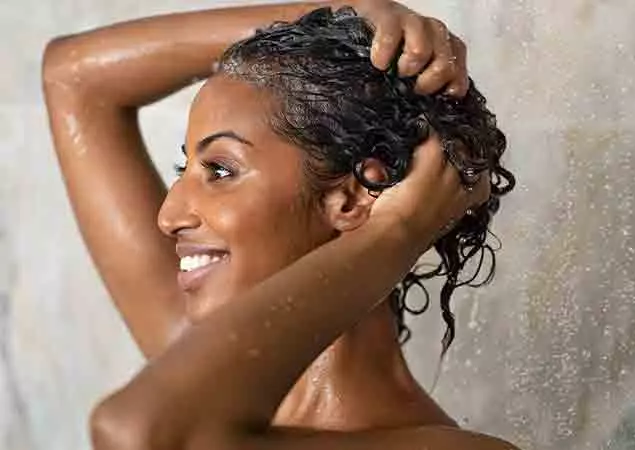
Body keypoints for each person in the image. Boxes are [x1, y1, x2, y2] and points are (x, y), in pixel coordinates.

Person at [41, 1, 517, 449]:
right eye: (183, 169)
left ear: (351, 198)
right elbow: (74, 77)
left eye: (221, 171)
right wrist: (345, 14)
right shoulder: (194, 368)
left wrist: (396, 232)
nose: (168, 217)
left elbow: (139, 432)